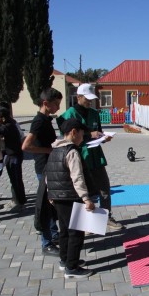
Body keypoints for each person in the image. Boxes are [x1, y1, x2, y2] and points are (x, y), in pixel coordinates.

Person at [57, 83, 122, 230]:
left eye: (91, 99)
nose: (90, 102)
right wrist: (88, 134)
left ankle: (106, 216)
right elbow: (66, 137)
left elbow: (98, 131)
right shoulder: (69, 114)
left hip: (95, 156)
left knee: (104, 188)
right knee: (82, 192)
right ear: (79, 97)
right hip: (78, 157)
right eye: (87, 99)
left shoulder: (94, 113)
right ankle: (84, 225)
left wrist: (103, 137)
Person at [46, 118, 95, 279]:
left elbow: (48, 175)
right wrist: (86, 198)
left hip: (57, 197)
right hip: (70, 196)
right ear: (74, 132)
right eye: (82, 134)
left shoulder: (55, 149)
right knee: (76, 232)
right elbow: (77, 178)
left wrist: (50, 194)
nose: (83, 138)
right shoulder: (72, 151)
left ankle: (64, 260)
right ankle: (72, 267)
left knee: (64, 231)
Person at [22, 88, 62, 256]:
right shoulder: (39, 121)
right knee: (45, 207)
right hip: (43, 168)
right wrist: (49, 150)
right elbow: (26, 146)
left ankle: (53, 234)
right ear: (46, 103)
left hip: (49, 167)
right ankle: (46, 243)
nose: (58, 108)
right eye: (56, 104)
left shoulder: (46, 119)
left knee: (51, 205)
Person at [0, 108, 26, 211]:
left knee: (15, 180)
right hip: (12, 155)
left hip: (14, 156)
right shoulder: (11, 123)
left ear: (3, 118)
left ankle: (19, 202)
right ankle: (19, 200)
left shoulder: (8, 126)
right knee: (16, 179)